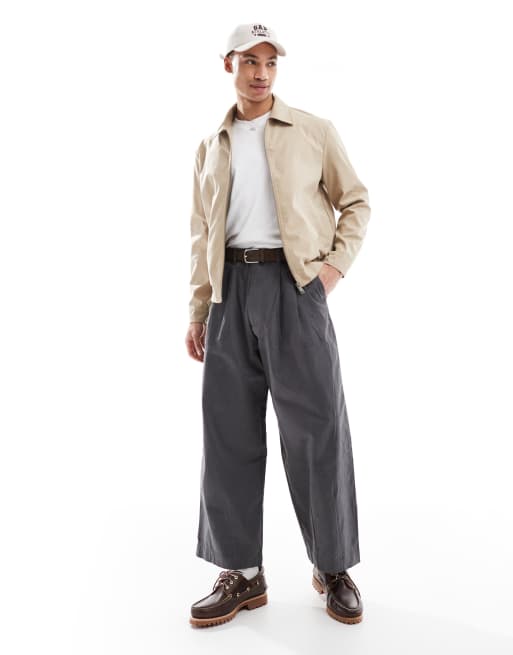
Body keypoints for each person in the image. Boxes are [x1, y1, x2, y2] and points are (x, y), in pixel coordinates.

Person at [185, 23, 371, 628]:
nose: (260, 73)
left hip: (295, 289)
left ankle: (332, 566)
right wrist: (199, 308)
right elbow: (201, 233)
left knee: (317, 429)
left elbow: (356, 201)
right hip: (229, 294)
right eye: (249, 61)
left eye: (270, 62)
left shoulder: (313, 131)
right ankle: (241, 572)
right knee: (229, 433)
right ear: (229, 65)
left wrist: (330, 272)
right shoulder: (210, 146)